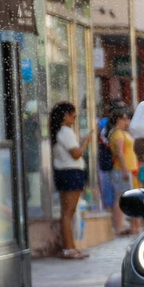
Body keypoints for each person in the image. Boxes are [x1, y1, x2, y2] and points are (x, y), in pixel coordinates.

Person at [50, 102, 89, 259]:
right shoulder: (66, 132)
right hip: (71, 172)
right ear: (65, 115)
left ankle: (70, 246)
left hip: (63, 173)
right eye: (73, 114)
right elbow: (76, 153)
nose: (74, 117)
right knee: (68, 212)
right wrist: (86, 142)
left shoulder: (58, 132)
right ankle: (68, 248)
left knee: (67, 212)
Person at [109, 108, 142, 235]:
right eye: (124, 119)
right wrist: (124, 169)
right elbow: (120, 153)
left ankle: (132, 225)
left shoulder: (124, 133)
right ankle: (119, 226)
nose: (127, 121)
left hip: (130, 170)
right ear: (118, 120)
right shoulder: (118, 134)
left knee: (129, 198)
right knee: (120, 198)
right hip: (122, 170)